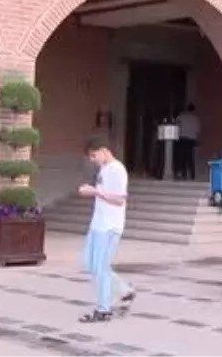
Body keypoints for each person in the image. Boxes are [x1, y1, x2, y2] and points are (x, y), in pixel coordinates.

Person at [78, 138, 136, 322]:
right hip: (97, 224)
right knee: (90, 264)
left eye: (94, 155)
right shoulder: (104, 169)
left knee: (101, 267)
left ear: (104, 150)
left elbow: (120, 199)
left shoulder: (118, 170)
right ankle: (124, 290)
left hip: (110, 226)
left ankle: (103, 309)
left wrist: (95, 192)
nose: (92, 159)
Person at [175, 103, 201, 181]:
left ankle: (183, 174)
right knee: (190, 157)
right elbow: (198, 130)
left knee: (182, 156)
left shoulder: (180, 117)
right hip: (191, 139)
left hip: (182, 138)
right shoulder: (195, 118)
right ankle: (192, 174)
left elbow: (176, 126)